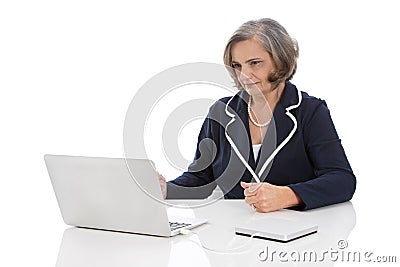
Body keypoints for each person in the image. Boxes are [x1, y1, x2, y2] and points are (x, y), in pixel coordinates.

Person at [158, 18, 356, 212]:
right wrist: (167, 189)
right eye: (237, 66)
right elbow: (201, 177)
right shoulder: (221, 112)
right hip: (231, 235)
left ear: (280, 61)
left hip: (293, 236)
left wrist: (287, 195)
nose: (244, 75)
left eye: (255, 63)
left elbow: (342, 179)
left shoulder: (310, 111)